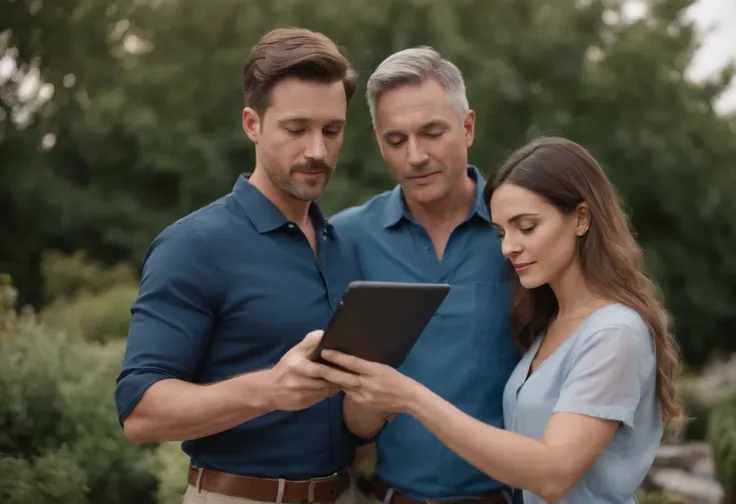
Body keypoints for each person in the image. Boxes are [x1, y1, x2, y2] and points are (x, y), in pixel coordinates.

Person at [320, 136, 684, 503]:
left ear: (581, 218)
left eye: (526, 227)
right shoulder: (552, 323)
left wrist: (412, 398)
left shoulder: (614, 332)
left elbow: (552, 473)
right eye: (501, 232)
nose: (509, 246)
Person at [115, 27, 367, 504]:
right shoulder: (193, 245)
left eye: (332, 130)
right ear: (252, 124)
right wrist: (272, 389)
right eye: (296, 129)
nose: (318, 150)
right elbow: (140, 413)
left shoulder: (342, 243)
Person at [329, 47, 520, 504]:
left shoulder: (518, 228)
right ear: (379, 141)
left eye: (432, 133)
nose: (416, 156)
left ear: (468, 127)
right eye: (396, 140)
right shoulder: (345, 236)